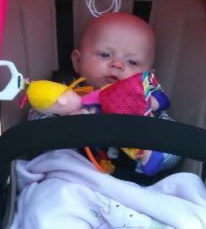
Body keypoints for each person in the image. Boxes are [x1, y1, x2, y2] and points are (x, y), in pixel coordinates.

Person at [28, 12, 179, 176]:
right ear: (78, 61)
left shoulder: (149, 108)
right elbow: (33, 125)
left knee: (187, 184)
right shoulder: (64, 94)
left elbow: (176, 150)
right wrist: (66, 122)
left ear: (148, 78)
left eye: (132, 62)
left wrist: (149, 150)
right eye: (105, 55)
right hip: (70, 178)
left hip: (126, 189)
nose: (117, 64)